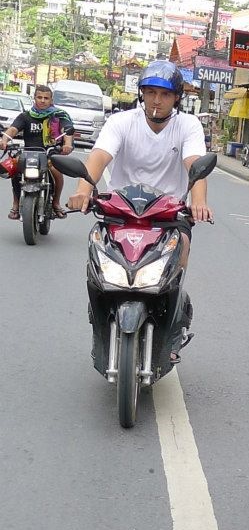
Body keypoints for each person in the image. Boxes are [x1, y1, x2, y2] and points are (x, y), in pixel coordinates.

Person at [67, 60, 212, 361]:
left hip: (168, 214)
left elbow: (195, 166)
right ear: (141, 94)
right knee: (97, 254)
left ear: (176, 99)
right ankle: (99, 320)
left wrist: (198, 202)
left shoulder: (188, 125)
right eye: (151, 92)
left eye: (165, 94)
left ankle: (172, 328)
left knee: (181, 249)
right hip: (120, 210)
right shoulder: (121, 122)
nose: (157, 100)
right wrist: (83, 192)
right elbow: (99, 157)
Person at [0, 85, 75, 220]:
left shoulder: (58, 116)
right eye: (39, 97)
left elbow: (66, 130)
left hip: (50, 154)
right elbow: (12, 130)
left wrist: (68, 144)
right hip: (27, 154)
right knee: (15, 171)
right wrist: (4, 140)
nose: (42, 100)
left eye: (46, 98)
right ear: (34, 98)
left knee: (58, 173)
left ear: (51, 100)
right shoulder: (25, 116)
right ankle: (16, 204)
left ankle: (56, 202)